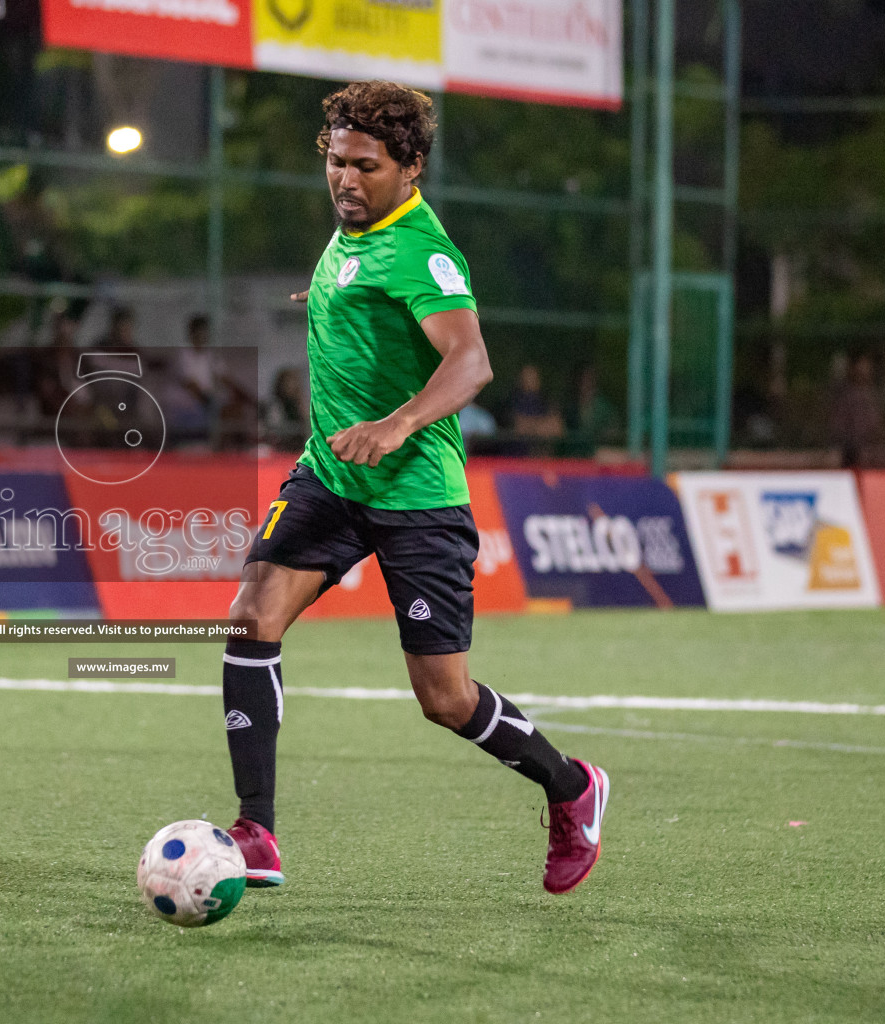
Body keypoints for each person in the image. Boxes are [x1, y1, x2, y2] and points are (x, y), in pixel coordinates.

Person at [218, 80, 608, 896]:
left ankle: (571, 787)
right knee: (251, 617)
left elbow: (471, 362)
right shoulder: (352, 236)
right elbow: (364, 298)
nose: (345, 179)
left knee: (444, 697)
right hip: (331, 475)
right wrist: (331, 304)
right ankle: (257, 832)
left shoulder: (422, 251)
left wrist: (396, 425)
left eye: (365, 165)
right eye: (336, 161)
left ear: (411, 167)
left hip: (416, 495)